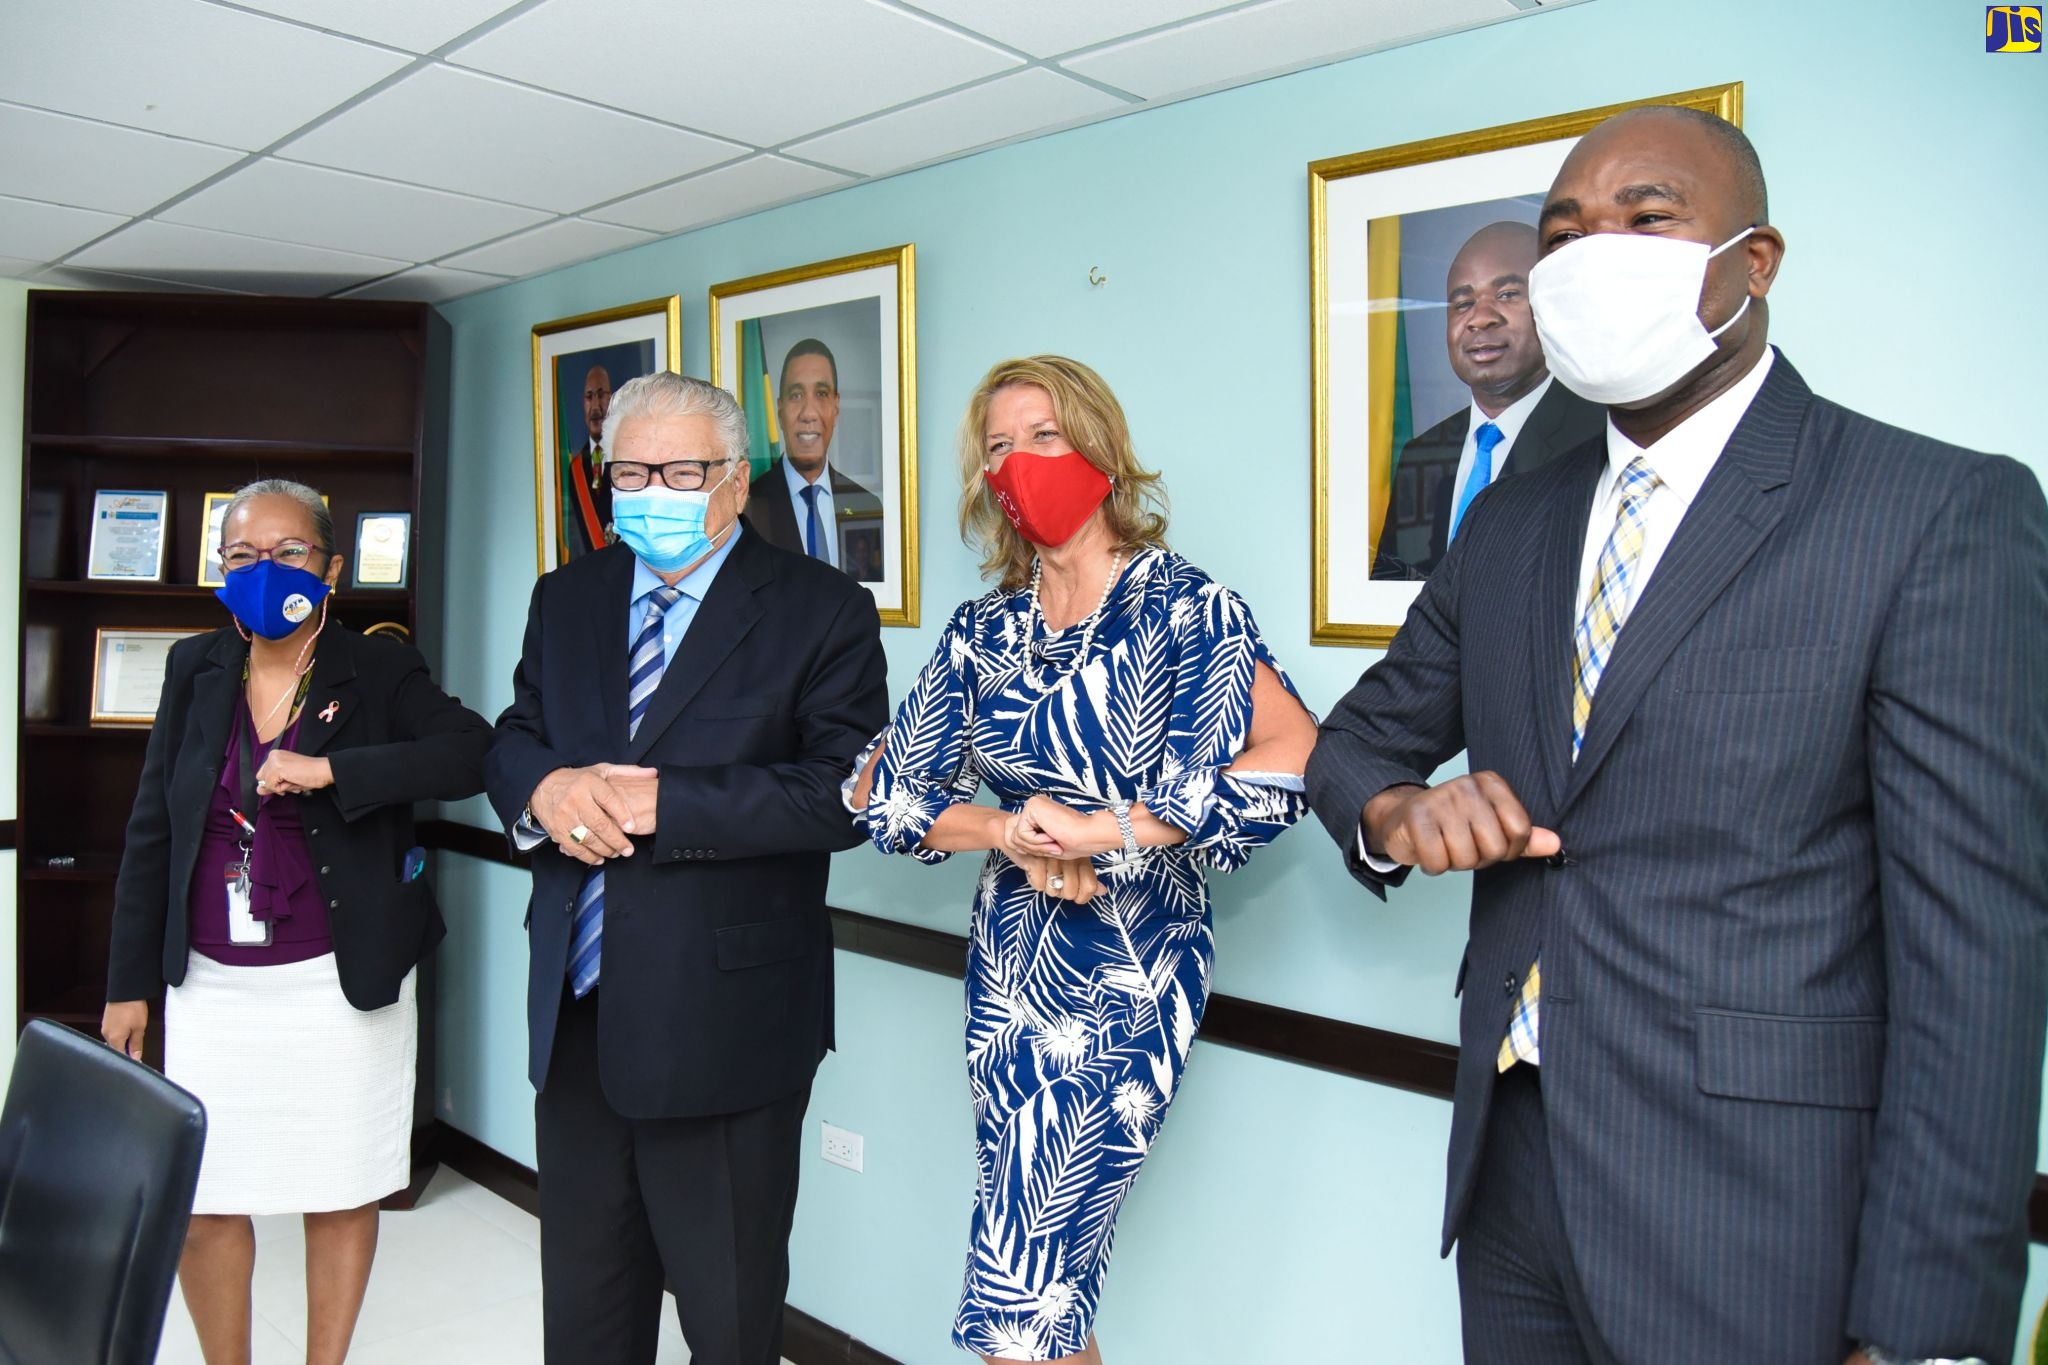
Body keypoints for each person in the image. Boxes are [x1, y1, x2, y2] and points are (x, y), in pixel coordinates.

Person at [1306, 105, 2048, 1365]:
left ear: (1751, 263)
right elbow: (1355, 741)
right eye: (1563, 235)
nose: (1593, 254)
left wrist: (1922, 1331)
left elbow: (1974, 956)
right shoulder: (1510, 524)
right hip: (1511, 1175)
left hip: (1754, 1205)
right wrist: (1395, 810)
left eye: (1645, 218)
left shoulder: (1929, 510)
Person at [849, 356, 1317, 1365]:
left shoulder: (1187, 608)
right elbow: (885, 793)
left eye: (1044, 436)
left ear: (1100, 448)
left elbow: (1293, 759)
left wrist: (1107, 830)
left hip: (1132, 971)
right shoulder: (983, 631)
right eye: (998, 446)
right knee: (1040, 1284)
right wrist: (1011, 832)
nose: (1020, 461)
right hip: (1010, 968)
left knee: (1026, 1282)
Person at [487, 371, 888, 1365]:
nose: (651, 492)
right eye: (631, 472)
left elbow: (840, 794)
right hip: (577, 1021)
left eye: (679, 472)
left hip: (727, 1034)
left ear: (734, 481)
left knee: (728, 1324)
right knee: (585, 1323)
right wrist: (543, 790)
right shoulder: (567, 597)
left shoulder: (820, 609)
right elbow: (515, 736)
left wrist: (664, 803)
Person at [102, 478, 491, 1365]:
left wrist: (335, 772)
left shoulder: (378, 668)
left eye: (288, 552)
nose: (264, 569)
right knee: (205, 1197)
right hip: (211, 983)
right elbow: (153, 827)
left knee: (341, 1186)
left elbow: (471, 752)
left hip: (337, 980)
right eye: (241, 555)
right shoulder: (194, 667)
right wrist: (128, 984)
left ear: (332, 568)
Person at [1373, 221, 1603, 578]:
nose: (1479, 319)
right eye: (1463, 303)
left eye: (1507, 294)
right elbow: (1394, 583)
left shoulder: (1600, 438)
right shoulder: (1422, 453)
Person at [750, 337, 884, 579]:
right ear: (780, 410)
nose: (809, 413)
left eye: (821, 394)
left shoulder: (867, 506)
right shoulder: (748, 507)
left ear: (836, 407)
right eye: (796, 395)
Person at [563, 363, 614, 561]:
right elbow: (574, 540)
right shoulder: (575, 469)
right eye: (589, 396)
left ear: (611, 399)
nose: (595, 406)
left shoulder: (625, 460)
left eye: (601, 395)